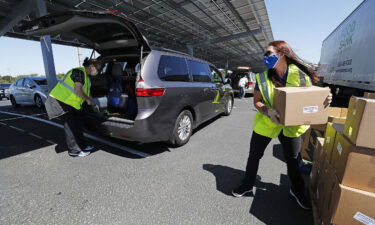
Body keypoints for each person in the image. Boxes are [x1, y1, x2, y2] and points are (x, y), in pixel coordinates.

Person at [231, 41, 332, 210]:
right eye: (265, 54)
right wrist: (267, 111)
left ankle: (297, 190)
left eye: (269, 53)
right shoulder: (262, 77)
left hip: (292, 126)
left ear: (282, 54)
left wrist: (325, 100)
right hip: (267, 123)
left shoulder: (301, 76)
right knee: (254, 155)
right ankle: (247, 185)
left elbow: (313, 99)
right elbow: (257, 102)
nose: (265, 57)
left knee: (293, 160)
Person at [48, 57, 101, 157]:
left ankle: (83, 146)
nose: (98, 70)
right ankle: (74, 151)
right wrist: (88, 100)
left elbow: (86, 93)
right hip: (61, 101)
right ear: (91, 67)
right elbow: (78, 90)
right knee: (71, 127)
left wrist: (93, 103)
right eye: (97, 68)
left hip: (71, 103)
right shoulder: (79, 72)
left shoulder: (86, 77)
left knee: (77, 125)